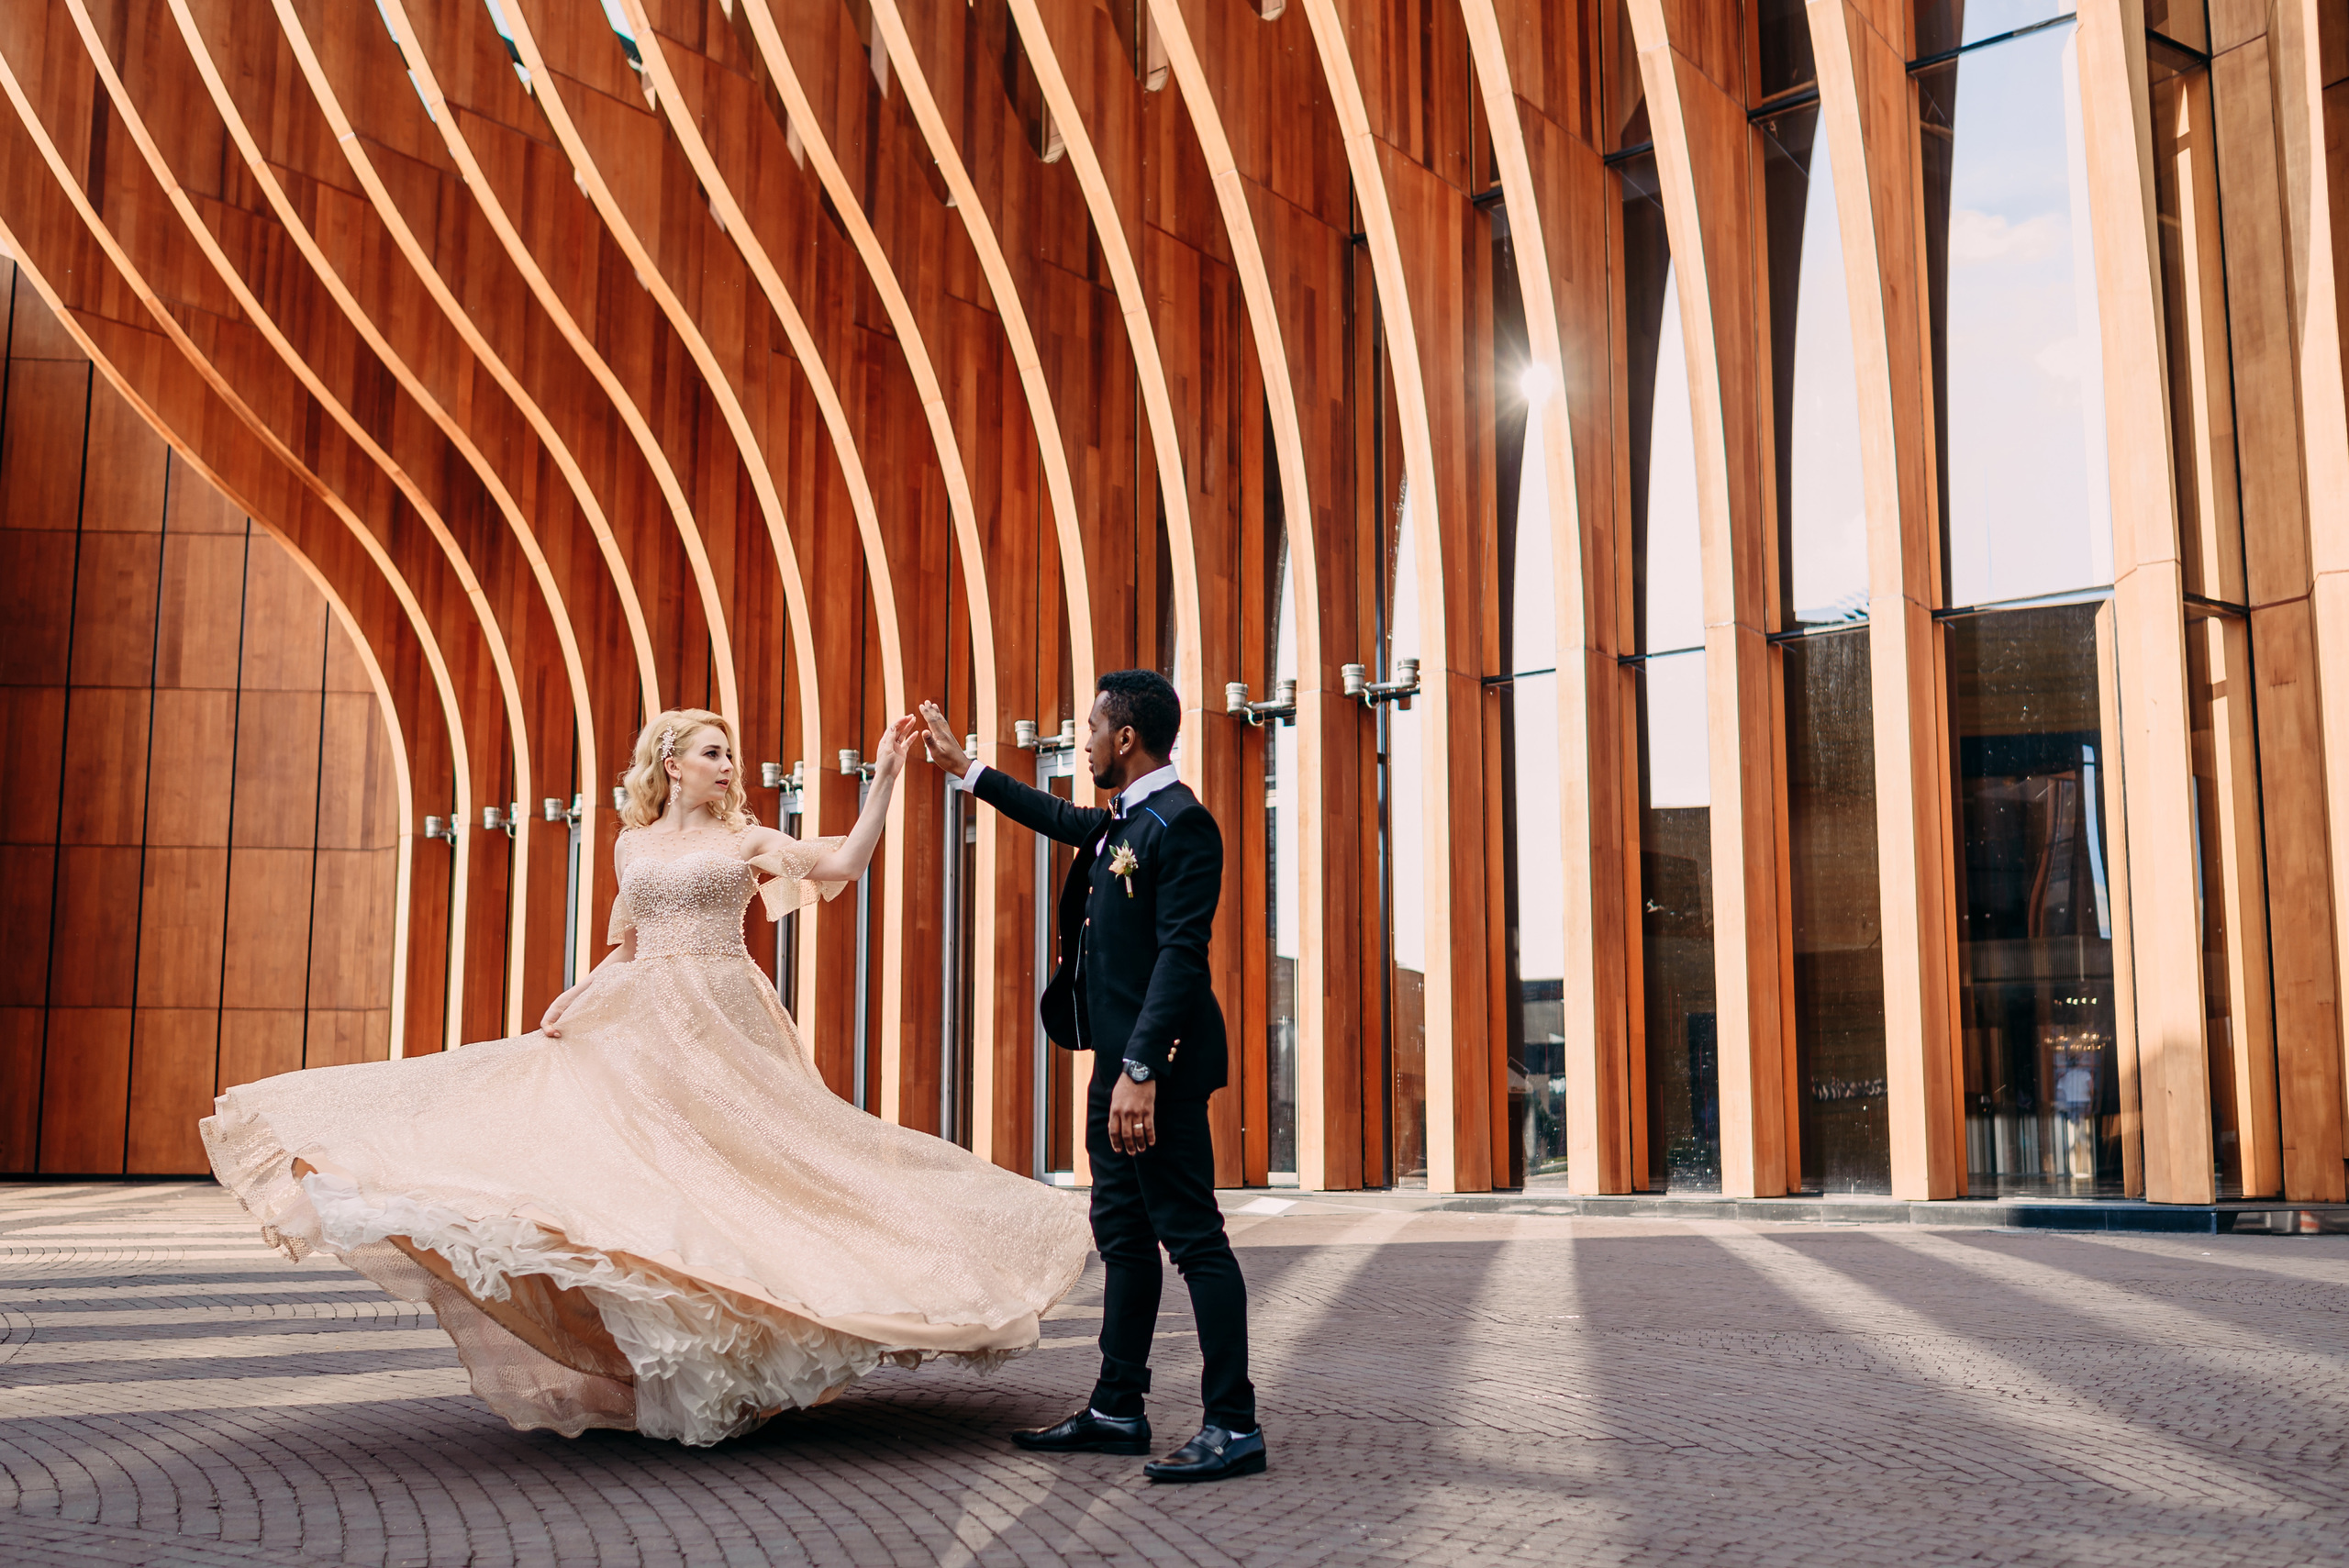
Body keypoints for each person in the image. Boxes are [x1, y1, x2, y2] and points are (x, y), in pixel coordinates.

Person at [201, 707, 1090, 1447]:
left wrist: (888, 776)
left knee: (773, 1167)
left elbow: (844, 866)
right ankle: (690, 1356)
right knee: (651, 1177)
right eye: (713, 751)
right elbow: (624, 942)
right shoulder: (630, 846)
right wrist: (574, 997)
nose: (728, 763)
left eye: (729, 752)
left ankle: (825, 1306)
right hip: (639, 1013)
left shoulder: (747, 835)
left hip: (723, 1014)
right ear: (672, 761)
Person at [918, 672, 1264, 1484]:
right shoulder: (1122, 820)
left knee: (1194, 1237)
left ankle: (1234, 1423)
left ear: (1127, 738)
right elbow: (1060, 817)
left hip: (1158, 1068)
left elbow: (1183, 956)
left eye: (1092, 727)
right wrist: (964, 769)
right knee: (1122, 1238)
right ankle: (1117, 1407)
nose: (1083, 741)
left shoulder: (1184, 825)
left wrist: (1141, 1070)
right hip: (1117, 1063)